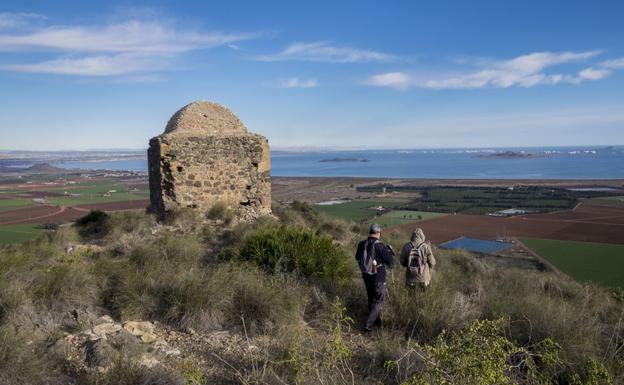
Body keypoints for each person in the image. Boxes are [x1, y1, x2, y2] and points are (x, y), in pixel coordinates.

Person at [355, 223, 394, 331]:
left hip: (366, 275)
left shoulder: (361, 244)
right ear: (378, 233)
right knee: (378, 300)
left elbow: (357, 257)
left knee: (371, 298)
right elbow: (390, 262)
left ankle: (377, 322)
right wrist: (389, 252)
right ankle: (368, 324)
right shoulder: (380, 245)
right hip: (378, 276)